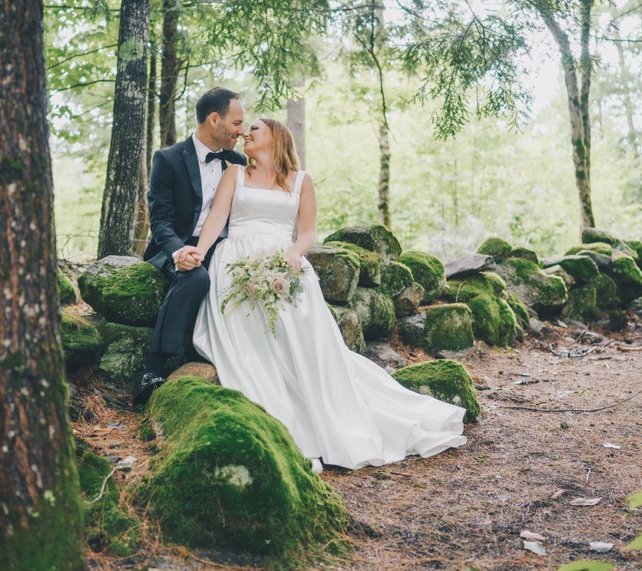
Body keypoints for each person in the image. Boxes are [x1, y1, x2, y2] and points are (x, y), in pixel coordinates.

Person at [189, 118, 466, 472]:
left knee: (301, 342)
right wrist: (199, 251)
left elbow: (306, 233)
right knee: (249, 339)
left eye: (255, 128)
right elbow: (216, 219)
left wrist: (291, 256)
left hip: (284, 263)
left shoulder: (302, 181)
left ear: (276, 136)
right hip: (235, 262)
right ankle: (278, 416)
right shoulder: (234, 173)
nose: (246, 133)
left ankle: (322, 419)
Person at [133, 87, 246, 405]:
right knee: (196, 277)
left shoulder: (237, 162)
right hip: (176, 245)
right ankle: (153, 368)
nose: (241, 131)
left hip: (220, 246)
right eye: (236, 123)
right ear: (214, 120)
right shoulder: (167, 159)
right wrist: (179, 251)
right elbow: (161, 220)